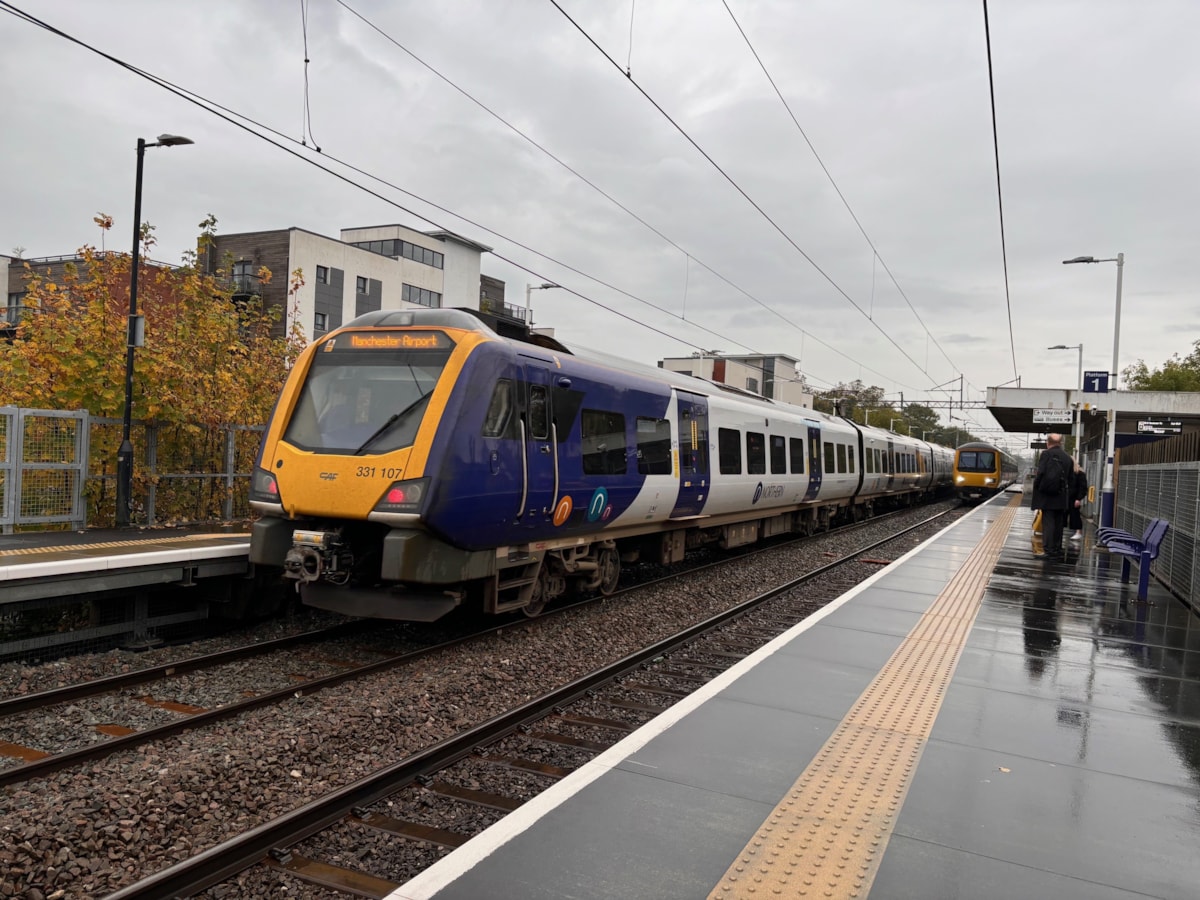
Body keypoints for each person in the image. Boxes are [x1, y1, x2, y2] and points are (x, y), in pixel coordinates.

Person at [1032, 433, 1074, 560]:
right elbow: (1071, 478)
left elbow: (1041, 473)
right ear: (1060, 443)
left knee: (1048, 523)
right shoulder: (1067, 457)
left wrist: (1038, 486)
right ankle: (1057, 549)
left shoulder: (1046, 454)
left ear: (1048, 443)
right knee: (1059, 523)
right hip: (1061, 496)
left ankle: (1048, 550)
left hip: (1047, 496)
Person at [1068, 462, 1088, 541]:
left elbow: (1083, 488)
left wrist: (1078, 498)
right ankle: (1076, 531)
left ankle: (1078, 532)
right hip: (1070, 497)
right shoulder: (1072, 473)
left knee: (1075, 514)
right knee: (1071, 514)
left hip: (1074, 497)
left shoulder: (1079, 474)